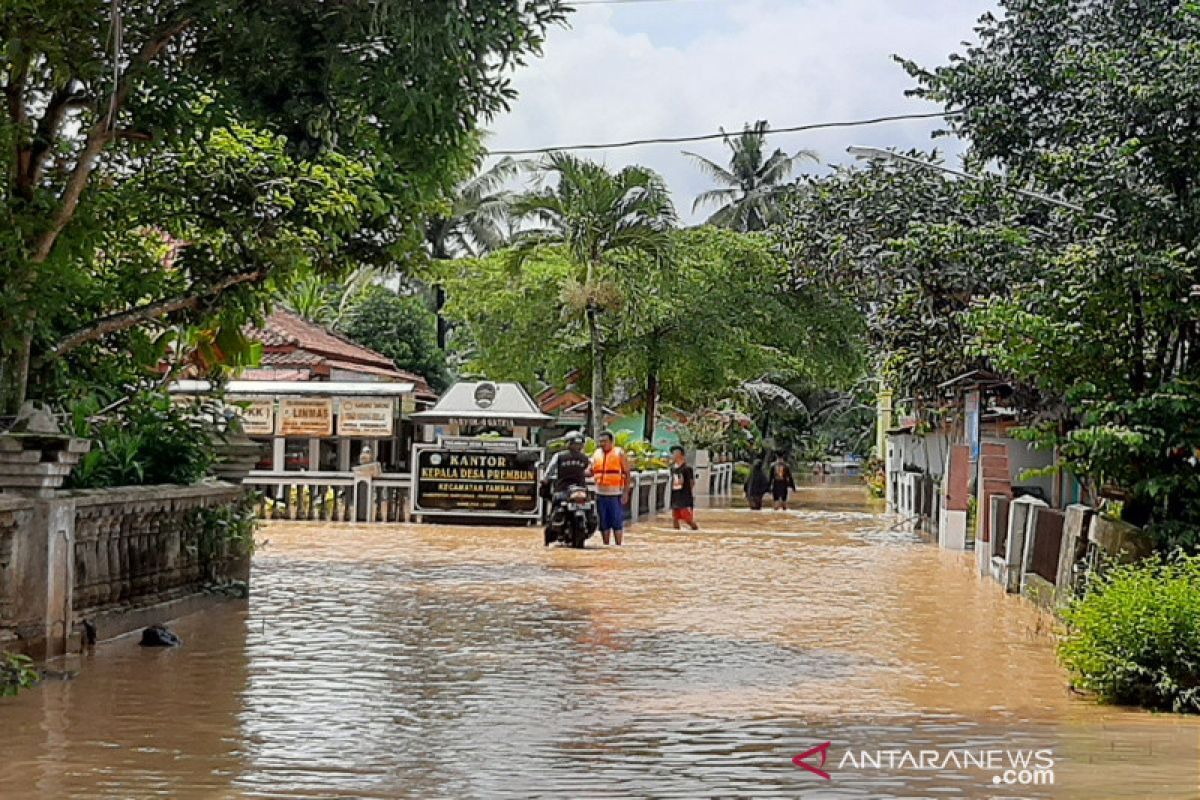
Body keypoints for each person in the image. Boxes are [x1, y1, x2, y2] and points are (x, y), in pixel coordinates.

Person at [592, 430, 631, 545]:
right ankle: (606, 546)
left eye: (605, 441)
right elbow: (591, 470)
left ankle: (618, 545)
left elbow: (627, 473)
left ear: (611, 442)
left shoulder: (619, 453)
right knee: (603, 522)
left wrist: (625, 492)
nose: (602, 444)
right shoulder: (596, 453)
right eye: (600, 442)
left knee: (616, 521)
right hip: (600, 493)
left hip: (615, 494)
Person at [669, 445, 699, 531]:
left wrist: (688, 493)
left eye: (674, 453)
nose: (672, 455)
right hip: (675, 495)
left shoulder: (687, 468)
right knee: (675, 517)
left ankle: (696, 531)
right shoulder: (673, 469)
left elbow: (691, 482)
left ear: (679, 454)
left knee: (687, 518)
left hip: (684, 496)